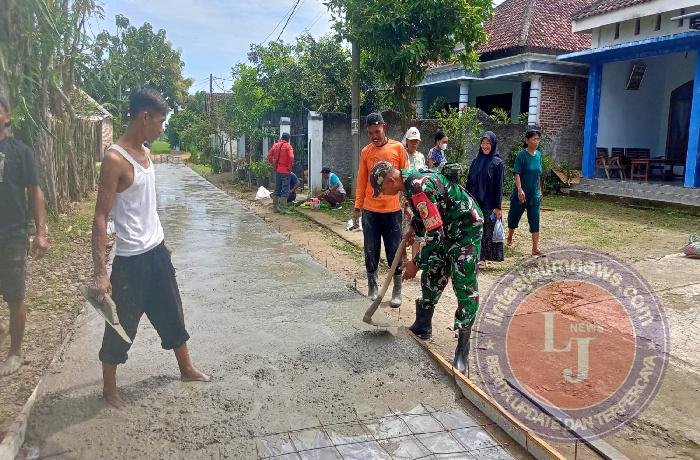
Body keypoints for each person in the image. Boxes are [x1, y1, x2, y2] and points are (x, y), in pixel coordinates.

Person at [91, 87, 209, 409]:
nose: (162, 127)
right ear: (145, 117)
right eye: (160, 120)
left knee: (172, 312)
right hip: (131, 262)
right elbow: (101, 217)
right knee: (121, 326)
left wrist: (163, 244)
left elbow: (146, 209)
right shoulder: (115, 159)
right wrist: (101, 272)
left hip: (157, 252)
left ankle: (186, 369)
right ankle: (109, 390)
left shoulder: (146, 153)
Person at [369, 161, 483, 373]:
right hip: (446, 227)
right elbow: (429, 214)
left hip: (465, 230)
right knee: (433, 274)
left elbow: (435, 235)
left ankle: (462, 349)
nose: (383, 193)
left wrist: (416, 263)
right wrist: (414, 227)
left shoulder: (418, 187)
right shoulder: (409, 184)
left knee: (463, 284)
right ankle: (423, 325)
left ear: (391, 180)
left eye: (382, 189)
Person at [0, 95, 49, 376]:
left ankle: (15, 353)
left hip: (12, 234)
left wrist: (41, 232)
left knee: (15, 295)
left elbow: (35, 192)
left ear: (7, 117)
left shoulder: (20, 152)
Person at [353, 112, 408, 308]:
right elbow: (361, 181)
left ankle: (397, 290)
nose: (374, 136)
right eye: (370, 133)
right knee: (371, 249)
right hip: (370, 211)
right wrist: (357, 207)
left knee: (394, 251)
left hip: (393, 211)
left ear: (384, 127)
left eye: (377, 131)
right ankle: (372, 287)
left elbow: (406, 178)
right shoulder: (365, 152)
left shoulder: (398, 148)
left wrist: (407, 204)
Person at [466, 131, 504, 267]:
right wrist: (467, 199)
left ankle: (483, 258)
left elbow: (499, 186)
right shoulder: (476, 161)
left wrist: (498, 207)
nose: (485, 146)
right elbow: (469, 181)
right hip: (475, 201)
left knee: (488, 231)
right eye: (483, 143)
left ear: (493, 144)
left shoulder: (498, 163)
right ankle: (477, 256)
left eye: (488, 143)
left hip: (490, 203)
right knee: (476, 229)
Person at [506, 129, 544, 257]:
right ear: (527, 141)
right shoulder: (521, 155)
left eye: (538, 139)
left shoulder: (539, 155)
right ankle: (509, 237)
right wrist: (519, 189)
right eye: (534, 139)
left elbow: (538, 175)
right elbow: (517, 173)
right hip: (520, 194)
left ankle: (535, 248)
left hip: (534, 195)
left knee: (535, 220)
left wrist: (540, 191)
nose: (536, 141)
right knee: (514, 217)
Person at [267, 133, 294, 214]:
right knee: (285, 189)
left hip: (278, 170)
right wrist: (289, 166)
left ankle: (275, 208)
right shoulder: (288, 146)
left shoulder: (275, 145)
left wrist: (273, 164)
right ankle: (283, 209)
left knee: (277, 188)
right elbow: (291, 157)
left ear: (281, 137)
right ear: (288, 139)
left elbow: (269, 156)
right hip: (286, 171)